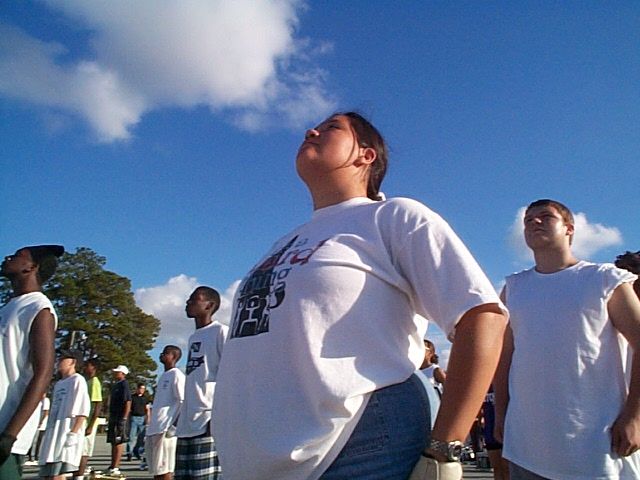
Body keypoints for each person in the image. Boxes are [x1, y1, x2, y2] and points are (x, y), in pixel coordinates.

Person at [212, 112, 507, 480]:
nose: (311, 131)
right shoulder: (285, 240)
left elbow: (482, 315)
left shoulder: (393, 216)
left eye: (332, 127)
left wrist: (445, 448)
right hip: (258, 458)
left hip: (357, 445)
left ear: (366, 155)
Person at [494, 199, 640, 479]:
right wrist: (501, 412)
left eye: (545, 216)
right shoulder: (513, 288)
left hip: (595, 446)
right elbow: (505, 355)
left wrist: (635, 416)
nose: (534, 222)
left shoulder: (605, 279)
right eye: (528, 220)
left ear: (569, 228)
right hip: (526, 446)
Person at [0, 244, 63, 479]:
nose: (7, 258)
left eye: (17, 256)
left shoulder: (39, 308)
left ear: (31, 267)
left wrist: (9, 435)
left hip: (5, 429)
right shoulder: (8, 307)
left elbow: (43, 373)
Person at [175, 286, 227, 480]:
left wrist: (219, 416)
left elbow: (230, 375)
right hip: (187, 422)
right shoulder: (193, 337)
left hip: (206, 419)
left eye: (194, 299)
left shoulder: (221, 332)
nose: (188, 302)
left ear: (209, 306)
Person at [38, 350, 90, 479]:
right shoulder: (59, 383)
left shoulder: (77, 380)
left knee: (58, 474)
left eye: (63, 359)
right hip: (53, 433)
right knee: (48, 474)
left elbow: (82, 411)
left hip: (65, 433)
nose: (59, 361)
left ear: (72, 362)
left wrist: (73, 433)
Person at [146, 345, 185, 480]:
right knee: (157, 470)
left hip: (165, 429)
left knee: (165, 469)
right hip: (155, 428)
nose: (162, 355)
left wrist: (174, 426)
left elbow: (183, 401)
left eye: (166, 353)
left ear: (174, 357)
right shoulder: (164, 375)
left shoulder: (176, 375)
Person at [76, 358, 102, 479]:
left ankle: (79, 475)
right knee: (78, 448)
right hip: (82, 420)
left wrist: (91, 425)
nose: (85, 367)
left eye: (88, 365)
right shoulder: (86, 381)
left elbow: (97, 404)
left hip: (89, 421)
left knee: (84, 451)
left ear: (94, 367)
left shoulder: (95, 382)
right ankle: (76, 473)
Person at [107, 365, 131, 477]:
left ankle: (116, 466)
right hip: (113, 416)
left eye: (118, 372)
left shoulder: (124, 385)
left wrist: (124, 418)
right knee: (113, 441)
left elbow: (128, 401)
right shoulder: (116, 385)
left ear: (123, 373)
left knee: (118, 441)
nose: (115, 373)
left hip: (120, 417)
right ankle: (112, 465)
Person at [25, 393, 49, 466]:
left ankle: (34, 456)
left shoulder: (45, 400)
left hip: (41, 425)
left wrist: (40, 421)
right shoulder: (38, 400)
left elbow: (45, 412)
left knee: (37, 441)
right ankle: (32, 456)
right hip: (35, 424)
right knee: (34, 440)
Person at [127, 383, 150, 462]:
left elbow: (147, 409)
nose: (142, 390)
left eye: (143, 389)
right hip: (134, 418)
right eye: (140, 388)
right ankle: (129, 453)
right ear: (137, 389)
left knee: (141, 438)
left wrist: (148, 419)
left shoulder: (145, 398)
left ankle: (136, 451)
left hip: (142, 418)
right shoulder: (132, 397)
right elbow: (129, 408)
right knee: (131, 437)